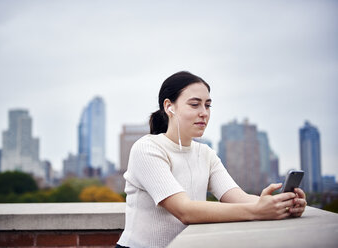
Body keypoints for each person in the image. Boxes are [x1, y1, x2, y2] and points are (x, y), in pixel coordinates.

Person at [116, 71, 307, 248]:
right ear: (169, 106)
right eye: (194, 104)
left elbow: (238, 198)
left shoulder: (205, 153)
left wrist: (282, 205)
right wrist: (258, 211)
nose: (204, 113)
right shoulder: (147, 148)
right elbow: (185, 211)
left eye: (207, 105)